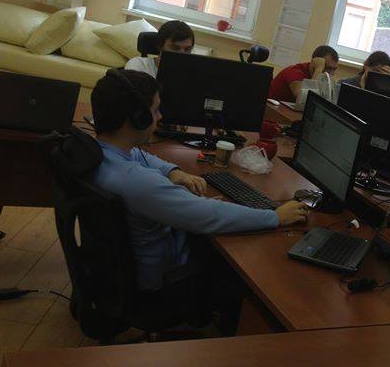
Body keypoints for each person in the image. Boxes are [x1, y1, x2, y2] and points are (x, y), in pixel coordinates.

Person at [90, 69, 308, 294]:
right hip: (161, 278)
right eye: (155, 111)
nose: (160, 117)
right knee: (244, 260)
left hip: (116, 271)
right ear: (137, 119)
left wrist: (172, 171)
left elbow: (138, 155)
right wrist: (275, 217)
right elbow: (208, 215)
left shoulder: (97, 152)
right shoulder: (138, 182)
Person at [268, 45, 339, 102]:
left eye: (334, 69)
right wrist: (318, 69)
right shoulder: (294, 71)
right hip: (271, 110)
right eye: (328, 68)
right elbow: (304, 98)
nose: (332, 73)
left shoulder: (323, 77)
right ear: (314, 62)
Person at [125, 20, 195, 78]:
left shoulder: (192, 73)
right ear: (160, 46)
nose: (182, 54)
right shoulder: (138, 65)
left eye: (187, 49)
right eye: (175, 48)